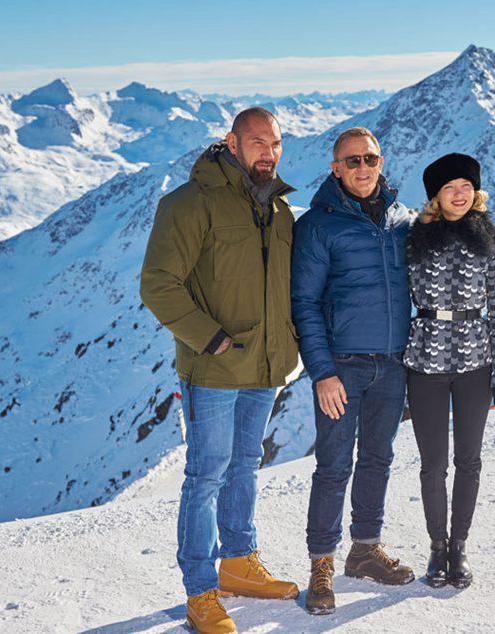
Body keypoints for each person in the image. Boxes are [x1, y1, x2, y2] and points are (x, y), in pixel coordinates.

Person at [139, 107, 300, 634]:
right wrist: (211, 339)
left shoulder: (280, 210)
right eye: (257, 142)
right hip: (212, 367)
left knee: (245, 465)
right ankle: (200, 591)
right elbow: (157, 283)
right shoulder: (190, 203)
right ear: (232, 143)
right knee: (206, 475)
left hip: (264, 365)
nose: (268, 153)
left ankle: (238, 562)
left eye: (275, 143)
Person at [291, 127, 415, 615]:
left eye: (371, 158)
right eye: (353, 160)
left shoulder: (402, 220)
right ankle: (321, 563)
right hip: (342, 368)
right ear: (335, 168)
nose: (363, 168)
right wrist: (321, 372)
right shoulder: (318, 226)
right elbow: (303, 303)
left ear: (381, 163)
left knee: (378, 459)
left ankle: (364, 550)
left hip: (393, 364)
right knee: (334, 465)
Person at [403, 153, 495, 589]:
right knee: (433, 464)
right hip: (424, 362)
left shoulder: (492, 240)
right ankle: (437, 546)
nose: (460, 194)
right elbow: (397, 300)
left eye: (466, 186)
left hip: (474, 363)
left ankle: (459, 546)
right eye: (450, 187)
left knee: (469, 460)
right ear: (436, 195)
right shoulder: (414, 239)